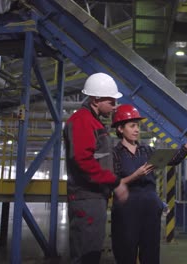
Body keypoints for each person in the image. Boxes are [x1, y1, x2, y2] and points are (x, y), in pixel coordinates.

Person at [110, 104, 187, 264]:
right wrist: (136, 175)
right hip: (126, 213)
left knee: (151, 256)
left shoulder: (147, 151)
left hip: (150, 212)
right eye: (132, 125)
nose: (137, 129)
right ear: (120, 129)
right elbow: (111, 183)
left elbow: (173, 159)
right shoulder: (115, 154)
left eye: (138, 126)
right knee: (125, 255)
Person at [63, 72, 130, 264]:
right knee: (86, 254)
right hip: (86, 197)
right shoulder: (82, 121)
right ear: (96, 99)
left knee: (91, 251)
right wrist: (115, 182)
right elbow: (83, 161)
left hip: (94, 197)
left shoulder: (92, 121)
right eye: (111, 101)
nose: (114, 106)